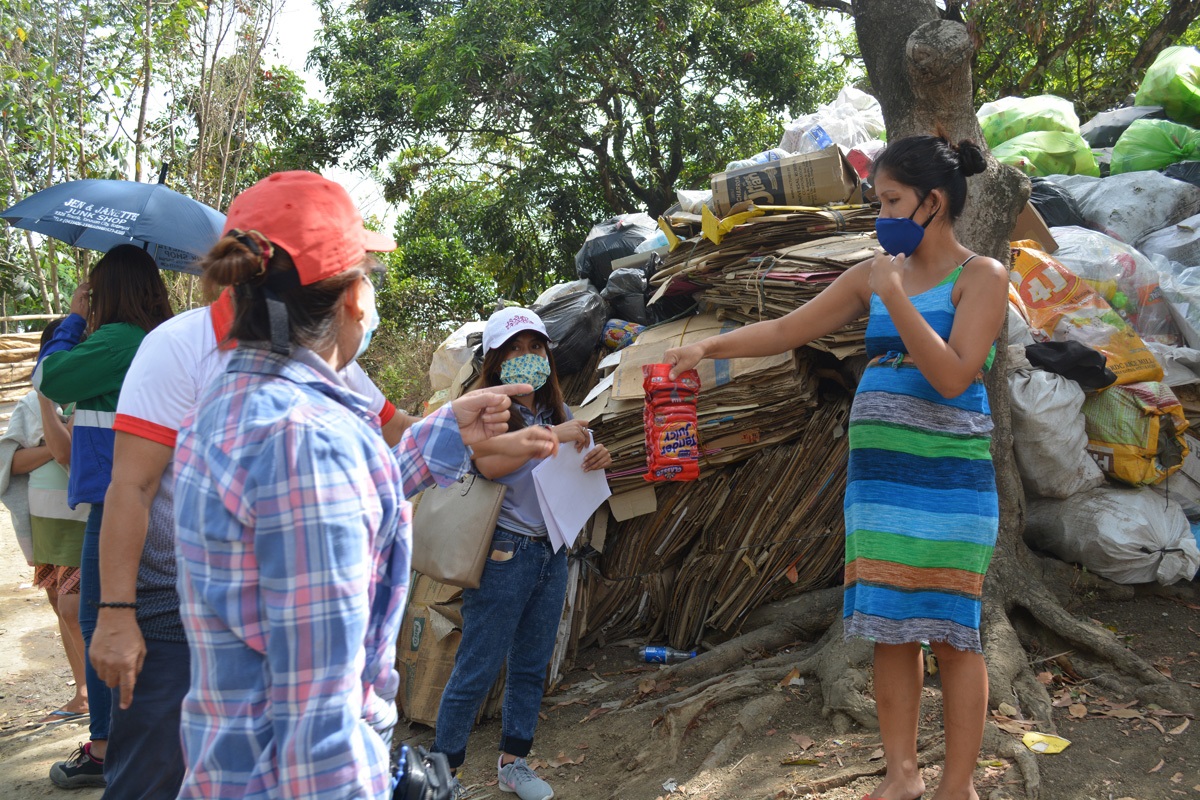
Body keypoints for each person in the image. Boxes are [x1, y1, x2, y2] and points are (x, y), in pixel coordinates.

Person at [170, 170, 559, 800]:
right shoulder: (311, 440)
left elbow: (346, 507)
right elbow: (318, 718)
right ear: (353, 297)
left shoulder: (227, 406)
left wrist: (442, 430)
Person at [665, 135, 1006, 800]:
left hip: (950, 485)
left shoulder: (981, 277)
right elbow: (785, 331)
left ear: (934, 203)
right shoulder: (871, 275)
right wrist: (708, 348)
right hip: (879, 489)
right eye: (877, 202)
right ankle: (902, 776)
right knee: (888, 630)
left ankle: (957, 786)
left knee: (954, 634)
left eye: (891, 201)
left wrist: (895, 296)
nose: (881, 216)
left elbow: (953, 374)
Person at [88, 285, 410, 800]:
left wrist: (462, 433)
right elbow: (132, 486)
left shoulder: (323, 359)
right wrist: (116, 613)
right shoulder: (179, 346)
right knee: (153, 773)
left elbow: (393, 435)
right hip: (170, 607)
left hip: (264, 614)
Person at [433, 306, 613, 800]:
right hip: (505, 553)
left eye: (535, 347)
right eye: (514, 349)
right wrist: (555, 437)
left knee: (531, 664)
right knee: (477, 666)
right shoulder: (487, 409)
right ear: (495, 360)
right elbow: (489, 465)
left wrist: (597, 453)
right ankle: (442, 776)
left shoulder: (556, 409)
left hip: (551, 552)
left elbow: (577, 457)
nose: (527, 356)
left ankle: (514, 764)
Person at [33, 245, 174, 789]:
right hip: (142, 496)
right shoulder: (153, 339)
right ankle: (123, 741)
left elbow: (51, 377)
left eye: (93, 290)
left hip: (119, 499)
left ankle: (106, 747)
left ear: (108, 291)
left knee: (101, 623)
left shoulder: (118, 340)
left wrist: (71, 319)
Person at [0, 320, 90, 725]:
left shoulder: (91, 399)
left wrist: (55, 444)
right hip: (45, 522)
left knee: (73, 607)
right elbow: (12, 462)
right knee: (59, 604)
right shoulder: (30, 404)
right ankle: (83, 693)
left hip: (81, 517)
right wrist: (51, 446)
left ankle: (98, 694)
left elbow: (72, 454)